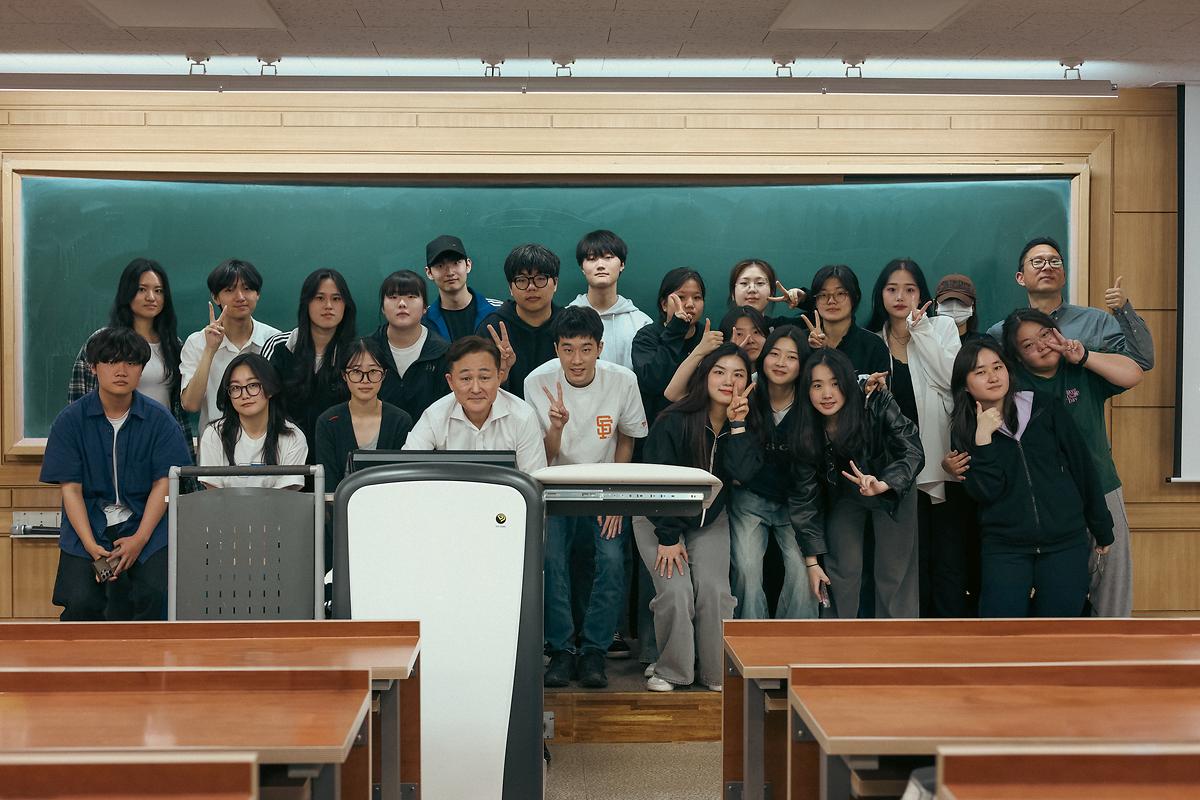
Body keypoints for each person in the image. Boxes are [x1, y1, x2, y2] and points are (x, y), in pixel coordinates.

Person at [525, 306, 648, 689]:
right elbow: (540, 455)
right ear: (556, 349)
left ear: (600, 348)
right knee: (551, 561)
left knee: (611, 560)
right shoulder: (536, 382)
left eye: (585, 349)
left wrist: (617, 494)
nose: (576, 359)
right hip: (553, 488)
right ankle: (561, 649)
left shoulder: (622, 380)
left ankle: (594, 650)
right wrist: (556, 427)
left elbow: (626, 438)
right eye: (567, 349)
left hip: (605, 486)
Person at [950, 338, 1114, 617]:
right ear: (965, 385)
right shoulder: (964, 429)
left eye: (997, 367)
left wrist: (1101, 526)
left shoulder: (1044, 407)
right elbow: (986, 492)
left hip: (1065, 541)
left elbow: (1082, 467)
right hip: (1005, 547)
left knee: (1059, 630)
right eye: (980, 372)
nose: (993, 377)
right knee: (1001, 630)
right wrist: (983, 439)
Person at [41, 327, 192, 621]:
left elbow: (164, 484)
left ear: (141, 369)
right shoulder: (70, 421)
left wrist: (140, 538)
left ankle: (149, 653)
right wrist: (90, 546)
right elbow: (71, 489)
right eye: (111, 362)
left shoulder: (160, 420)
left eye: (131, 363)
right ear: (93, 367)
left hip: (145, 525)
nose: (121, 371)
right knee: (81, 601)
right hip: (89, 526)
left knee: (155, 594)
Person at [1003, 309, 1143, 616]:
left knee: (1112, 582)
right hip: (1048, 501)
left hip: (1102, 486)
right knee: (1063, 592)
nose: (1042, 345)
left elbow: (1134, 374)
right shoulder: (1013, 386)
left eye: (1045, 334)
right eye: (1028, 345)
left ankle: (1111, 642)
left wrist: (1084, 357)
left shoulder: (1079, 368)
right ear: (1018, 357)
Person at [637, 344, 747, 692]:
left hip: (709, 520)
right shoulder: (674, 419)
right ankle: (672, 669)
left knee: (715, 591)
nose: (728, 381)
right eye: (720, 372)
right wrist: (669, 537)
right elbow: (657, 483)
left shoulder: (745, 421)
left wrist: (738, 426)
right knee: (676, 591)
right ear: (704, 376)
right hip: (658, 517)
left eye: (738, 374)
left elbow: (744, 472)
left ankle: (715, 672)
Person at [792, 348, 924, 618]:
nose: (827, 394)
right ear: (806, 390)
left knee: (893, 572)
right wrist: (811, 562)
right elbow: (804, 497)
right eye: (817, 385)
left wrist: (885, 483)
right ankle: (839, 637)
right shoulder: (806, 426)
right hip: (846, 492)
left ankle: (895, 639)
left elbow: (912, 449)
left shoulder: (876, 401)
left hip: (891, 487)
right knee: (842, 567)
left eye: (835, 384)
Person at [866, 258, 961, 617]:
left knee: (943, 558)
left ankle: (941, 636)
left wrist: (920, 331)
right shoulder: (871, 340)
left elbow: (952, 379)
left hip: (937, 460)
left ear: (921, 294)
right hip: (889, 468)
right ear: (880, 294)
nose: (900, 297)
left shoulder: (941, 327)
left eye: (910, 289)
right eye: (892, 289)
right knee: (901, 563)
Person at [724, 325, 818, 620]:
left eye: (791, 357)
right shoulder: (747, 392)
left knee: (803, 573)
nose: (780, 363)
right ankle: (750, 642)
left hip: (795, 502)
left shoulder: (811, 398)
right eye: (774, 354)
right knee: (747, 569)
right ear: (763, 357)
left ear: (803, 364)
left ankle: (795, 643)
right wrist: (737, 423)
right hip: (750, 498)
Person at [67, 258, 195, 465]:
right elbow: (79, 402)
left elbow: (179, 409)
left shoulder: (173, 345)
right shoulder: (103, 341)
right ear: (127, 293)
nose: (151, 297)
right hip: (114, 446)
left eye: (159, 291)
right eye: (142, 289)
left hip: (161, 445)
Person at [986, 237, 1154, 371]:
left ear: (1064, 277)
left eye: (1055, 262)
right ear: (1020, 278)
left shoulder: (1096, 321)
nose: (1047, 267)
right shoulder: (1000, 332)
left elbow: (1141, 361)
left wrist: (1124, 309)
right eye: (1037, 262)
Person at [404, 335, 547, 473]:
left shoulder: (523, 416)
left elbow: (533, 479)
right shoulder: (435, 415)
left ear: (499, 377)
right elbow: (408, 468)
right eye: (466, 379)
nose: (476, 389)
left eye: (484, 377)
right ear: (450, 382)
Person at [180, 259, 281, 434]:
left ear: (257, 294)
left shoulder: (274, 340)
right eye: (229, 290)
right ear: (215, 297)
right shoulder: (197, 343)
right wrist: (210, 349)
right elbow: (190, 404)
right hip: (215, 444)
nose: (240, 297)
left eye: (247, 289)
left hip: (267, 442)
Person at [260, 268, 356, 451]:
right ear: (306, 303)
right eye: (319, 298)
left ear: (346, 305)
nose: (328, 305)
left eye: (336, 299)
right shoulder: (279, 346)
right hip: (284, 454)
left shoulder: (354, 355)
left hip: (336, 455)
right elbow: (260, 402)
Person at [315, 337, 414, 490]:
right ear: (344, 375)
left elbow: (402, 480)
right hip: (340, 503)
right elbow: (328, 484)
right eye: (356, 371)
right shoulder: (328, 422)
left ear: (384, 374)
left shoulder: (400, 421)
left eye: (373, 371)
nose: (365, 380)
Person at [197, 353, 308, 490]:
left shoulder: (293, 437)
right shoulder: (214, 435)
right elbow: (214, 496)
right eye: (235, 388)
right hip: (224, 505)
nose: (245, 395)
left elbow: (286, 497)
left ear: (270, 388)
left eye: (253, 385)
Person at [476, 243, 562, 399]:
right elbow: (477, 389)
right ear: (510, 287)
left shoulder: (570, 325)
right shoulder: (492, 328)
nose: (531, 287)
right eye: (521, 280)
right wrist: (502, 374)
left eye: (540, 279)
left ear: (555, 283)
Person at [370, 269, 451, 422]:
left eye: (411, 297)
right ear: (382, 308)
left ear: (425, 307)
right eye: (393, 297)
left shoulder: (443, 353)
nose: (402, 304)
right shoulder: (368, 350)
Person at [567, 229, 653, 370]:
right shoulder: (565, 319)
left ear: (622, 264)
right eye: (592, 258)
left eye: (608, 257)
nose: (600, 265)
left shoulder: (641, 323)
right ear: (582, 267)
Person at [663, 306, 767, 403]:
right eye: (739, 334)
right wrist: (700, 351)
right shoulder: (714, 377)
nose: (750, 340)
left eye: (756, 332)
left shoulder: (771, 374)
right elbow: (672, 394)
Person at [803, 264, 890, 375]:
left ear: (854, 297)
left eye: (840, 293)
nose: (831, 301)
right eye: (823, 295)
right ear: (815, 301)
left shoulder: (872, 346)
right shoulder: (801, 343)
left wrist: (827, 351)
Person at [421, 234, 503, 341]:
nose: (450, 272)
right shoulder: (422, 321)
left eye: (456, 263)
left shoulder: (499, 311)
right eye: (440, 266)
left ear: (468, 265)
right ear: (429, 272)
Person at [727, 258, 806, 329]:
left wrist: (805, 299)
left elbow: (813, 322)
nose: (752, 289)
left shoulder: (784, 330)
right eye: (744, 283)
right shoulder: (722, 335)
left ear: (771, 292)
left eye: (760, 283)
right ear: (733, 293)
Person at [935, 273, 985, 343]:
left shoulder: (983, 343)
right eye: (948, 300)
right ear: (937, 306)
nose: (954, 307)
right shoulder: (927, 341)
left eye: (961, 301)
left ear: (972, 307)